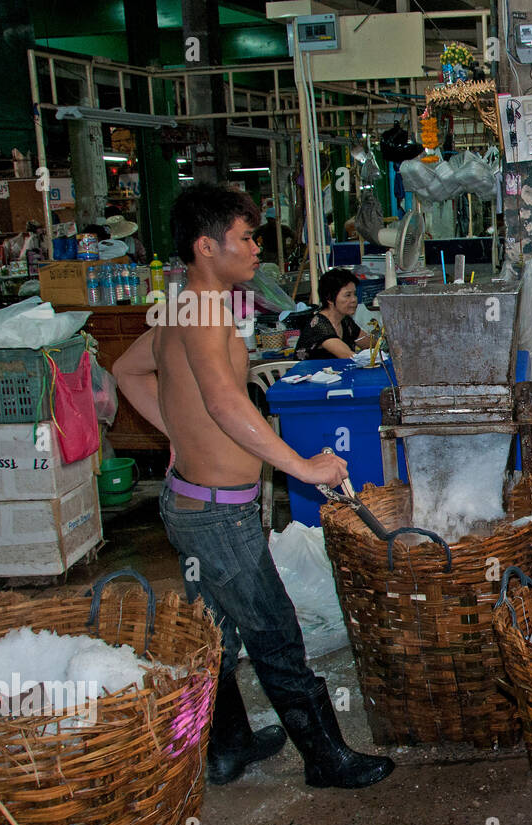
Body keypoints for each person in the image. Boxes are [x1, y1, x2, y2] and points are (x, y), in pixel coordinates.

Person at [113, 182, 393, 790]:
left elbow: (126, 371)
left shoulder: (181, 306)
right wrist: (303, 465)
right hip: (217, 515)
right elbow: (221, 401)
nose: (257, 248)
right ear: (206, 246)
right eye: (246, 237)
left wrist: (178, 435)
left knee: (215, 630)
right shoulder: (206, 312)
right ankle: (325, 758)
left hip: (191, 501)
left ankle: (227, 747)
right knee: (273, 632)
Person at [295, 268, 368, 361]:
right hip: (310, 374)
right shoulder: (319, 325)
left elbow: (370, 344)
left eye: (354, 294)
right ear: (329, 298)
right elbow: (349, 356)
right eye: (348, 295)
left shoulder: (345, 321)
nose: (354, 299)